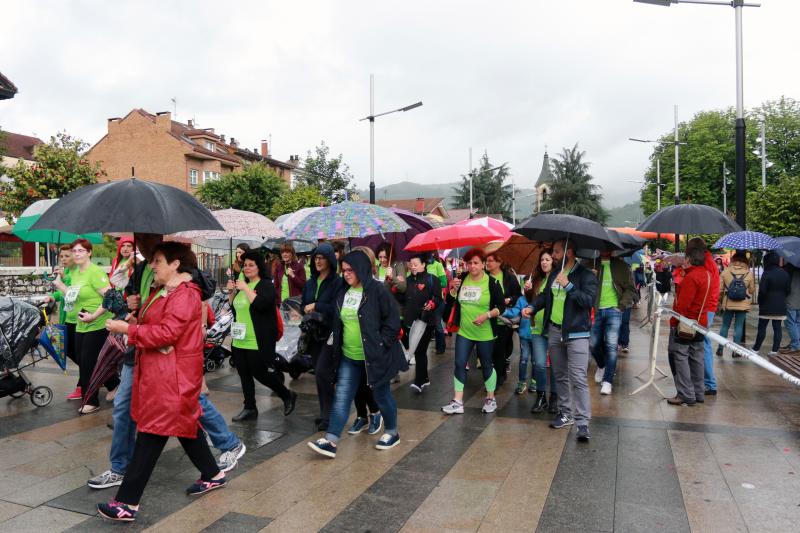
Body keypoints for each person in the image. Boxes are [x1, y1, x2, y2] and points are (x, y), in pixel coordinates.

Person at [87, 233, 245, 491]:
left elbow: (173, 327)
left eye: (152, 248)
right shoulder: (143, 269)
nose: (143, 247)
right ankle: (212, 472)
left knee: (161, 424)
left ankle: (126, 494)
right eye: (141, 242)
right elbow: (150, 314)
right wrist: (132, 307)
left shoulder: (184, 284)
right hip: (147, 357)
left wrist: (129, 330)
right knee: (174, 418)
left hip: (168, 365)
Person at [307, 250, 408, 458]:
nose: (345, 274)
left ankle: (392, 432)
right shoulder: (343, 292)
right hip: (349, 356)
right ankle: (331, 441)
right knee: (342, 397)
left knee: (381, 395)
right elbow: (339, 322)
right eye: (343, 270)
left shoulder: (377, 290)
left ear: (361, 269)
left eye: (350, 270)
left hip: (375, 357)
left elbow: (393, 321)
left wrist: (381, 344)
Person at [522, 239, 597, 442]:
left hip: (577, 334)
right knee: (560, 375)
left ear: (569, 252)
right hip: (555, 332)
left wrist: (570, 286)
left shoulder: (586, 275)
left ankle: (582, 423)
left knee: (578, 378)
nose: (553, 256)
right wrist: (532, 307)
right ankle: (566, 413)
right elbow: (546, 296)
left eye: (556, 252)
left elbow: (588, 301)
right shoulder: (555, 274)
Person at [227, 250, 297, 421]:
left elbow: (261, 304)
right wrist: (231, 293)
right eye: (245, 265)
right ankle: (250, 407)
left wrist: (244, 288)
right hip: (239, 338)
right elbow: (235, 308)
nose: (247, 268)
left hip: (257, 339)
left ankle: (286, 394)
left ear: (259, 267)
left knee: (261, 373)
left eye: (251, 265)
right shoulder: (241, 285)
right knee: (244, 375)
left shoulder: (265, 285)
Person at [52, 238, 117, 414]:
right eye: (74, 251)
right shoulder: (76, 273)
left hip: (98, 323)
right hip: (82, 323)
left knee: (87, 363)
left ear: (89, 253)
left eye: (81, 251)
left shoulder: (95, 272)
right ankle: (114, 384)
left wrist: (94, 315)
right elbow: (74, 297)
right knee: (83, 360)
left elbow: (110, 298)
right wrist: (60, 285)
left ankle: (91, 400)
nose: (77, 254)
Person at [441, 248, 505, 415]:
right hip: (464, 331)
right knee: (459, 363)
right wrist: (453, 290)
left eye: (476, 263)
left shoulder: (492, 283)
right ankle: (457, 401)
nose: (472, 266)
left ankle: (491, 399)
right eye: (469, 263)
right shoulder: (462, 279)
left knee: (486, 365)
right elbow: (452, 302)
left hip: (485, 333)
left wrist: (487, 315)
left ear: (483, 264)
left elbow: (501, 307)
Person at [504, 250, 558, 413]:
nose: (544, 262)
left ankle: (554, 397)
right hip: (536, 326)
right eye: (542, 259)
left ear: (553, 261)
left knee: (555, 365)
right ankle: (541, 397)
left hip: (554, 326)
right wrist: (527, 290)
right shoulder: (535, 279)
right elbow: (530, 301)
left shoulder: (559, 278)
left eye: (547, 259)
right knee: (540, 364)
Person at [301, 243, 342, 431]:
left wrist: (317, 306)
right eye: (315, 258)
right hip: (313, 334)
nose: (317, 261)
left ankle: (329, 415)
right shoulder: (310, 282)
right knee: (319, 374)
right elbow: (303, 304)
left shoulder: (337, 282)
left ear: (330, 260)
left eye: (322, 257)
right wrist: (304, 309)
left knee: (323, 373)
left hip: (329, 333)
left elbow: (336, 308)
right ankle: (325, 412)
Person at [667, 243, 712, 406]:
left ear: (689, 260)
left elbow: (682, 306)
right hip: (701, 322)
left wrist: (674, 322)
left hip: (686, 323)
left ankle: (685, 394)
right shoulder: (707, 274)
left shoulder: (691, 278)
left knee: (680, 357)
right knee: (697, 357)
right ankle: (699, 392)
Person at [589, 250, 636, 396]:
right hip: (595, 310)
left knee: (611, 345)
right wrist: (591, 278)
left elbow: (630, 288)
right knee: (593, 343)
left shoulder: (621, 266)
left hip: (614, 310)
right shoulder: (590, 264)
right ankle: (602, 365)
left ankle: (608, 380)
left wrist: (621, 306)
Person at [402, 254, 442, 393]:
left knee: (419, 349)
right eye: (411, 264)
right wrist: (395, 284)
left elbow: (438, 298)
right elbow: (401, 299)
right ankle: (424, 378)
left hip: (427, 320)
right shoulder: (407, 280)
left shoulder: (432, 279)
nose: (413, 267)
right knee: (418, 350)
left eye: (416, 264)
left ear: (423, 264)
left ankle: (419, 381)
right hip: (411, 321)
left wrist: (432, 304)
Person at [48, 245, 81, 399]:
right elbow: (63, 293)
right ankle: (95, 373)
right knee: (68, 349)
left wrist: (63, 278)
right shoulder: (66, 272)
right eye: (61, 256)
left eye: (67, 256)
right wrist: (53, 296)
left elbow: (72, 291)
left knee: (82, 354)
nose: (63, 259)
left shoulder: (77, 272)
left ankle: (85, 383)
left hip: (80, 319)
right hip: (67, 318)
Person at [485, 252, 521, 387]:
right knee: (492, 350)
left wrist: (509, 300)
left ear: (498, 263)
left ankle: (498, 377)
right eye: (486, 261)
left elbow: (518, 295)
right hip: (488, 319)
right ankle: (497, 374)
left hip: (505, 320)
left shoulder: (509, 277)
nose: (487, 263)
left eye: (490, 261)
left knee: (500, 350)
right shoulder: (484, 277)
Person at [715, 252, 755, 361]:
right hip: (742, 304)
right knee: (738, 326)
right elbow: (751, 291)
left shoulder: (725, 272)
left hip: (728, 303)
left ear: (733, 260)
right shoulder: (749, 273)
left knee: (725, 326)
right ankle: (735, 351)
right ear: (745, 262)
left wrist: (719, 302)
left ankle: (720, 348)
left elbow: (720, 290)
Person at [752, 251, 790, 355]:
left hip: (767, 305)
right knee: (777, 328)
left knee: (762, 328)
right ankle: (774, 350)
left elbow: (762, 291)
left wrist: (761, 302)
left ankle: (756, 348)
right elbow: (788, 290)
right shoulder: (785, 274)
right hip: (780, 305)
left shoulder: (767, 273)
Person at [376, 242, 407, 313]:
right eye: (380, 257)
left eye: (385, 257)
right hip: (378, 309)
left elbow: (403, 287)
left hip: (393, 309)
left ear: (390, 256)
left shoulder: (398, 266)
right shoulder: (375, 269)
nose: (382, 260)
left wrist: (392, 277)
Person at [427, 254, 449, 354]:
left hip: (437, 299)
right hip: (426, 300)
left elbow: (444, 283)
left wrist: (432, 286)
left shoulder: (437, 265)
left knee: (437, 325)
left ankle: (441, 347)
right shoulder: (422, 264)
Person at [782, 263, 800, 355]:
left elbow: (786, 286)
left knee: (790, 323)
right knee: (797, 323)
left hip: (791, 300)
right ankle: (796, 344)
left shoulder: (790, 269)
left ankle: (795, 346)